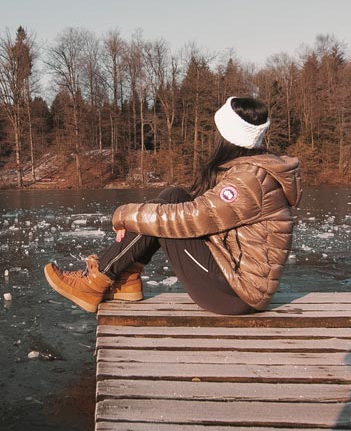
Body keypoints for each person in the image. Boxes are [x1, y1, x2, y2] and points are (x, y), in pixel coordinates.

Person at [44, 97, 302, 315]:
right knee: (174, 195)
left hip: (237, 294)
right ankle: (126, 278)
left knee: (171, 214)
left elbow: (188, 219)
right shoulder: (249, 170)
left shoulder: (250, 179)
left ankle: (97, 281)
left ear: (227, 136)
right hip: (233, 281)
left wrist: (124, 215)